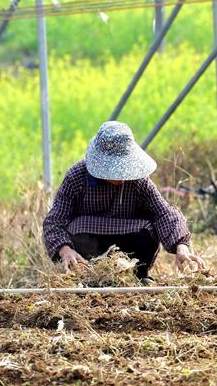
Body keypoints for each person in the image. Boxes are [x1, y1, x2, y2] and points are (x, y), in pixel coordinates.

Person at [43, 121, 206, 282]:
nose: (121, 177)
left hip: (129, 247)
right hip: (86, 251)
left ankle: (138, 276)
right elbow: (54, 222)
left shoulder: (139, 181)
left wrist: (181, 246)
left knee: (148, 232)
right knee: (76, 234)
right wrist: (64, 250)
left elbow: (163, 213)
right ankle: (87, 278)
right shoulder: (77, 177)